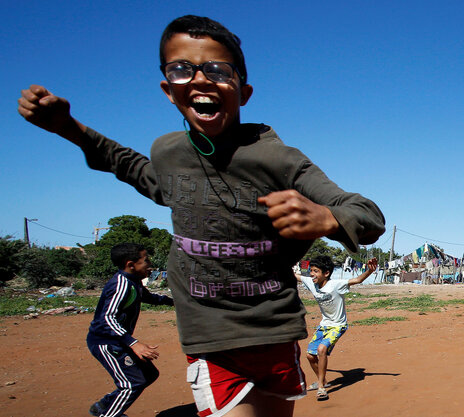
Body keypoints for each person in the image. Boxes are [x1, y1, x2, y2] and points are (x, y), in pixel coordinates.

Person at [19, 15, 385, 417]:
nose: (200, 79)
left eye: (218, 70)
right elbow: (130, 166)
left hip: (276, 333)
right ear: (168, 90)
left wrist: (327, 219)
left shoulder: (278, 158)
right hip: (212, 339)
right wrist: (70, 129)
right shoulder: (169, 154)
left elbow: (366, 215)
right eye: (181, 69)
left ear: (243, 92)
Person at [87, 243, 175, 417]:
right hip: (106, 342)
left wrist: (174, 302)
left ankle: (105, 405)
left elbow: (148, 297)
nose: (150, 265)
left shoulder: (133, 282)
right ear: (131, 264)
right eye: (146, 260)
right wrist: (133, 343)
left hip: (119, 340)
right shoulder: (120, 284)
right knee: (131, 384)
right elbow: (107, 318)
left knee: (148, 374)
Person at [296, 256, 378, 401]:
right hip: (324, 325)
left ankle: (321, 387)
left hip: (338, 326)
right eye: (311, 271)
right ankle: (324, 380)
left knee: (321, 350)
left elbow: (357, 280)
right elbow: (295, 276)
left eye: (316, 271)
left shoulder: (336, 284)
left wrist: (369, 271)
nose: (312, 274)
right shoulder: (311, 282)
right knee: (310, 355)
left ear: (326, 273)